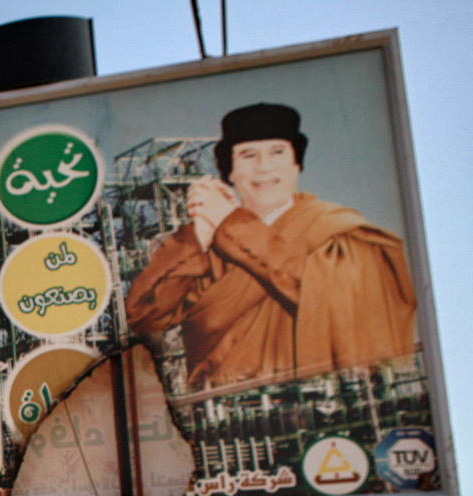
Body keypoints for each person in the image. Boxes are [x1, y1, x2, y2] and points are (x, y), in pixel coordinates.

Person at [124, 102, 417, 395]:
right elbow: (143, 316)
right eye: (248, 155)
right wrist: (198, 237)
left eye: (278, 152)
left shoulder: (338, 234)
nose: (264, 167)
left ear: (296, 163)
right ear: (230, 171)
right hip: (223, 417)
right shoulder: (209, 249)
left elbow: (349, 306)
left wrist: (234, 226)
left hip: (329, 406)